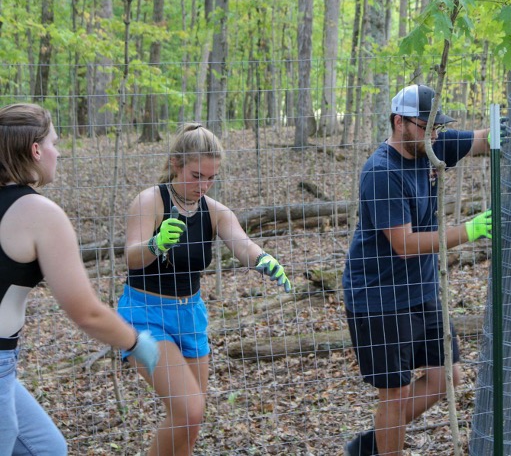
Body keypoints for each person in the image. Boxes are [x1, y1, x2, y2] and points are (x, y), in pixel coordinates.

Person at [342, 84, 501, 456]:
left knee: (445, 376)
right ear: (400, 122)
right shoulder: (381, 172)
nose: (434, 135)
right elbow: (405, 244)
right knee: (394, 393)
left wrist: (510, 128)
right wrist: (470, 231)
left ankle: (372, 444)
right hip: (379, 297)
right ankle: (387, 444)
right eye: (425, 126)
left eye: (437, 128)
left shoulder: (430, 148)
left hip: (422, 292)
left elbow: (481, 140)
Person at [118, 123, 292, 456]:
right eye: (196, 175)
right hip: (146, 316)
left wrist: (263, 259)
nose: (204, 185)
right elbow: (132, 257)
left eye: (211, 177)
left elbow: (242, 245)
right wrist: (155, 244)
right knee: (189, 410)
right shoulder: (150, 201)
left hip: (191, 316)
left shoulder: (214, 210)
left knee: (190, 422)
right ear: (174, 164)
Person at [0, 103, 159, 456]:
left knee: (46, 447)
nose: (60, 152)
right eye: (54, 142)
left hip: (5, 365)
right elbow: (85, 311)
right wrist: (135, 341)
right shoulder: (38, 213)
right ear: (36, 150)